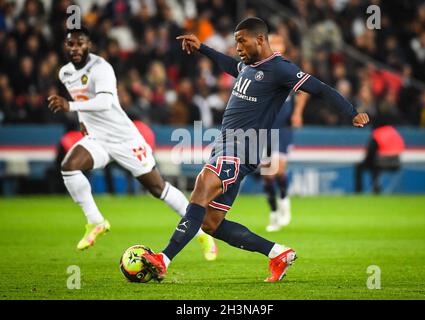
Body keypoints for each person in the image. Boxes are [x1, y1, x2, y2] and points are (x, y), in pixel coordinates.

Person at [141, 17, 369, 282]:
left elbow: (319, 89)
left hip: (241, 147)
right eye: (235, 41)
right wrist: (203, 48)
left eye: (241, 41)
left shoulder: (281, 68)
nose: (237, 47)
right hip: (226, 146)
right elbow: (230, 65)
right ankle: (277, 253)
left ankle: (163, 259)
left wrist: (351, 113)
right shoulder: (248, 66)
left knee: (201, 187)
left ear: (259, 39)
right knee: (210, 223)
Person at [47, 27, 218, 261]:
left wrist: (70, 107)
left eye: (80, 43)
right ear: (65, 47)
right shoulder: (65, 73)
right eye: (71, 44)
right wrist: (81, 120)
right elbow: (82, 99)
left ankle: (201, 233)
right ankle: (95, 221)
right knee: (69, 166)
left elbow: (105, 101)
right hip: (97, 138)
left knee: (158, 189)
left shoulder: (101, 68)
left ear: (89, 45)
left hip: (124, 138)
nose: (75, 48)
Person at [262, 33, 309, 232]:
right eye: (272, 43)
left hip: (282, 127)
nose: (276, 46)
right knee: (267, 174)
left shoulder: (288, 68)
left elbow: (305, 90)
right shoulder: (258, 68)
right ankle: (273, 213)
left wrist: (298, 112)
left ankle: (284, 200)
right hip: (264, 128)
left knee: (278, 170)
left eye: (279, 43)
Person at [355, 117, 405, 194]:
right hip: (397, 162)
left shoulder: (378, 133)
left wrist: (366, 162)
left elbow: (371, 152)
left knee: (362, 166)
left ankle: (360, 191)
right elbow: (402, 146)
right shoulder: (394, 131)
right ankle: (376, 188)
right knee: (374, 165)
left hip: (381, 162)